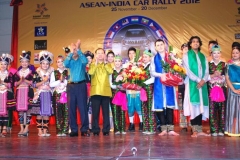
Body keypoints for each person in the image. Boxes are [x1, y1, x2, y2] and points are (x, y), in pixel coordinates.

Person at [150, 39, 179, 136]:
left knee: (169, 106)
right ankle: (163, 128)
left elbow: (176, 68)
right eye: (157, 45)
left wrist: (172, 74)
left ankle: (170, 129)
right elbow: (152, 72)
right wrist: (161, 75)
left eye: (161, 44)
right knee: (160, 107)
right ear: (155, 47)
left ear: (165, 45)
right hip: (159, 83)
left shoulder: (171, 57)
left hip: (169, 83)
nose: (160, 46)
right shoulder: (153, 58)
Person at [183, 36, 210, 137]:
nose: (195, 43)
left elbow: (207, 71)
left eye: (197, 42)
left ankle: (200, 130)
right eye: (193, 42)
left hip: (202, 85)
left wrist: (204, 80)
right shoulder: (186, 55)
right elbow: (187, 70)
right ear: (190, 44)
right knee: (193, 106)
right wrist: (199, 80)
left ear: (199, 44)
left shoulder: (203, 56)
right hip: (192, 84)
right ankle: (194, 130)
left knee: (200, 106)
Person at [63, 40, 90, 137]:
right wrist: (71, 52)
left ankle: (84, 129)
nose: (74, 52)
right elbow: (65, 64)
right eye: (73, 50)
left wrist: (78, 49)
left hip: (81, 85)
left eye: (76, 50)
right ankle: (73, 129)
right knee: (71, 108)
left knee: (83, 108)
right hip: (71, 86)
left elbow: (85, 61)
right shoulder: (69, 61)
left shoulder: (81, 61)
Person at [89, 48, 113, 136]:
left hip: (105, 91)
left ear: (104, 55)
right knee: (95, 112)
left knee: (106, 112)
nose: (100, 55)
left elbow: (110, 71)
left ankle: (106, 129)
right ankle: (95, 129)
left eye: (102, 53)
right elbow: (91, 73)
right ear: (95, 55)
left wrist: (106, 63)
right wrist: (95, 64)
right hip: (95, 91)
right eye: (98, 53)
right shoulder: (92, 64)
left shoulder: (108, 64)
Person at [31, 51, 54, 137]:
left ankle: (45, 130)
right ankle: (39, 131)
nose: (45, 65)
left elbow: (54, 84)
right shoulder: (37, 73)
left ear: (49, 64)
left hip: (48, 94)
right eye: (43, 63)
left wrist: (50, 86)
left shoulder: (52, 73)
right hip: (39, 94)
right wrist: (43, 82)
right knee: (39, 113)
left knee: (46, 113)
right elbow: (33, 84)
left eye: (47, 63)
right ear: (40, 64)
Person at [14, 51, 34, 137]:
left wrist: (25, 80)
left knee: (28, 110)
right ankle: (22, 128)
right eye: (22, 61)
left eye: (26, 61)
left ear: (29, 62)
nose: (24, 63)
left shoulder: (32, 72)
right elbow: (14, 84)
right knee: (21, 111)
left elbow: (33, 83)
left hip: (28, 92)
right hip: (19, 92)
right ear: (20, 62)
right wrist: (19, 81)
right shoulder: (17, 72)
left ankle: (27, 128)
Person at [208, 45, 226, 136]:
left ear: (220, 53)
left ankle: (222, 129)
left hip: (221, 89)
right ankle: (214, 129)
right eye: (214, 53)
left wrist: (221, 77)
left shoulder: (224, 64)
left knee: (222, 109)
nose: (216, 55)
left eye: (218, 53)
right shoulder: (208, 64)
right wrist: (213, 76)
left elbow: (226, 77)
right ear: (211, 54)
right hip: (212, 89)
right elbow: (206, 77)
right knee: (212, 109)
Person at [125, 47, 143, 132]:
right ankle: (131, 124)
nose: (131, 55)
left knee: (139, 106)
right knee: (130, 106)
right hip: (129, 90)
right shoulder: (125, 65)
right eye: (130, 53)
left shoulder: (140, 64)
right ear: (128, 55)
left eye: (133, 53)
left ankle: (141, 123)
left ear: (136, 54)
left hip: (138, 90)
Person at [50, 55, 69, 136]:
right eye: (58, 62)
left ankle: (65, 130)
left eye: (61, 61)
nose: (60, 63)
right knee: (58, 113)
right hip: (57, 94)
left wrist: (64, 83)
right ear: (56, 64)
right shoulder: (54, 72)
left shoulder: (68, 71)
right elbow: (51, 84)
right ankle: (59, 130)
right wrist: (59, 81)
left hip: (66, 93)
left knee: (66, 112)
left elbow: (70, 82)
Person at [225, 45, 240, 137]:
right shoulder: (228, 65)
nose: (234, 54)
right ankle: (231, 130)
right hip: (231, 89)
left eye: (237, 53)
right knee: (232, 110)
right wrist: (234, 89)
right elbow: (227, 79)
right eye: (233, 53)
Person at [109, 55, 126, 135]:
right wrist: (116, 83)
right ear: (114, 62)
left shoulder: (125, 71)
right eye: (115, 61)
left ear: (121, 62)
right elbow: (110, 84)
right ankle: (117, 129)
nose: (117, 63)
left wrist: (123, 86)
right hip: (114, 94)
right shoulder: (111, 72)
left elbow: (128, 82)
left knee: (122, 111)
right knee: (115, 111)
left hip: (123, 93)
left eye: (119, 61)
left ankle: (123, 128)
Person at [0, 54, 15, 137]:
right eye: (1, 64)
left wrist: (3, 83)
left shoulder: (10, 74)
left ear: (7, 65)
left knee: (6, 112)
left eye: (5, 64)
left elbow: (11, 84)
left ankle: (5, 127)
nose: (3, 65)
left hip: (7, 93)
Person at [141, 50, 156, 135]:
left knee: (150, 108)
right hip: (143, 89)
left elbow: (153, 78)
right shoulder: (142, 67)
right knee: (144, 107)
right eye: (143, 57)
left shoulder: (151, 66)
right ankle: (146, 127)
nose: (144, 58)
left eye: (146, 57)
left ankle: (152, 128)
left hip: (150, 89)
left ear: (150, 58)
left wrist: (144, 83)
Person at [178, 43, 188, 130]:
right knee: (182, 107)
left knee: (191, 106)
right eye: (184, 49)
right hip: (181, 87)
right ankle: (183, 125)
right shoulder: (178, 62)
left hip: (190, 87)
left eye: (187, 48)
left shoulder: (192, 62)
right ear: (182, 51)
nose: (185, 50)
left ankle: (193, 125)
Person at [84, 51, 94, 132]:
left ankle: (90, 125)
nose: (89, 60)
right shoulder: (81, 68)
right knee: (85, 107)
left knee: (91, 108)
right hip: (84, 88)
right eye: (87, 58)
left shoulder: (94, 67)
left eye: (90, 58)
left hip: (93, 88)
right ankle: (86, 125)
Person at [106, 50, 115, 132]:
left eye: (112, 56)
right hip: (106, 89)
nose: (110, 58)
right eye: (109, 56)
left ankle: (116, 125)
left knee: (114, 107)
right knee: (108, 108)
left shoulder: (117, 65)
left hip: (115, 89)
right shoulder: (105, 66)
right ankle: (110, 125)